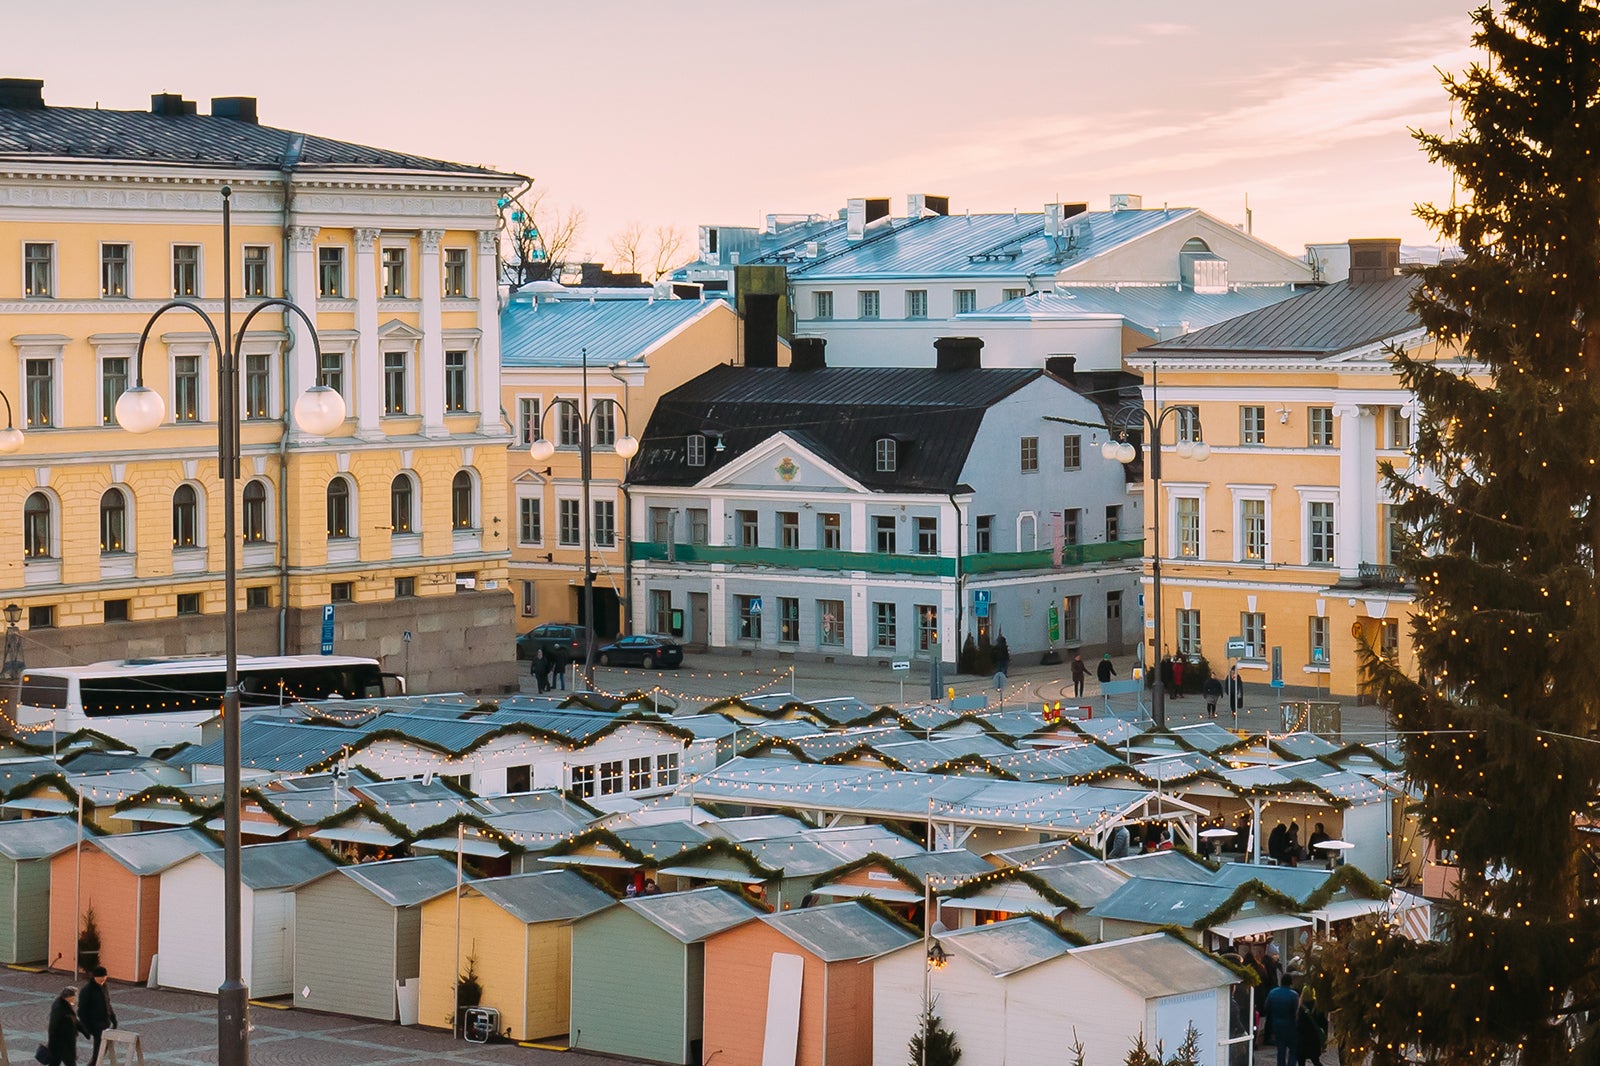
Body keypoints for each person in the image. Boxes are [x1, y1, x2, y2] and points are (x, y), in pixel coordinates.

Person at [78, 967, 116, 1066]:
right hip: (95, 1023)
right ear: (94, 977)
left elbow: (107, 1003)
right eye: (100, 977)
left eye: (104, 977)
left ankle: (96, 1063)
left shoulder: (104, 987)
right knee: (99, 1047)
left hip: (105, 1021)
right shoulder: (87, 990)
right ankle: (94, 1064)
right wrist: (87, 1026)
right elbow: (81, 1010)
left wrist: (113, 1018)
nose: (102, 979)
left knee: (104, 1046)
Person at [1263, 974, 1300, 1066]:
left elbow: (1267, 1007)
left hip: (1276, 1024)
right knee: (1293, 1049)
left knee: (1281, 1049)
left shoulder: (1272, 992)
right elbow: (1296, 1011)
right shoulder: (1294, 995)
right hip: (1290, 1024)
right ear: (1290, 982)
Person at [46, 985, 83, 1066]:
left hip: (63, 1041)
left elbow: (73, 1020)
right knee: (68, 1062)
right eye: (74, 996)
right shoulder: (59, 1007)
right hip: (62, 1041)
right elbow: (54, 1026)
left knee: (56, 1062)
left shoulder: (64, 1004)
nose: (75, 998)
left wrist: (84, 1031)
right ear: (70, 996)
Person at [1296, 985, 1328, 1066]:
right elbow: (1324, 1024)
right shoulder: (1318, 1008)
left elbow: (1298, 1025)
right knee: (1315, 1060)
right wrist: (1325, 1039)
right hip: (1314, 1039)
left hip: (1302, 1039)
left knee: (1301, 1061)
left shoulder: (1300, 1009)